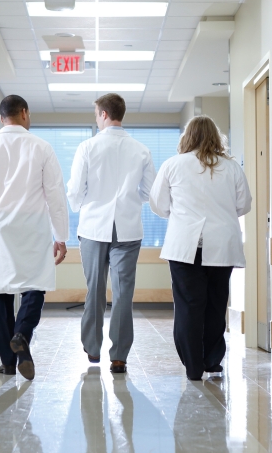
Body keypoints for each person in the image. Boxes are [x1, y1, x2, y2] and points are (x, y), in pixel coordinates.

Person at [0, 94, 69, 380]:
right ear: (25, 113)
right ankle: (22, 333)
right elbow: (56, 196)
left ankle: (8, 362)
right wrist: (61, 236)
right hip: (33, 226)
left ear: (1, 118)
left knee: (0, 290)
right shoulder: (42, 148)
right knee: (35, 285)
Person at [149, 115, 251, 381]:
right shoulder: (231, 167)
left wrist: (180, 212)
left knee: (188, 306)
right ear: (216, 137)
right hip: (221, 244)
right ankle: (212, 360)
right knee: (216, 304)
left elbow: (159, 205)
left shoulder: (173, 164)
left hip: (185, 245)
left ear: (188, 137)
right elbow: (244, 205)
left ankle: (193, 366)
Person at [67, 93, 156, 374]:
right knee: (123, 293)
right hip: (128, 230)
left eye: (96, 114)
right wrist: (130, 199)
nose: (96, 118)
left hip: (93, 228)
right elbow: (149, 192)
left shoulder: (88, 147)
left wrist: (79, 204)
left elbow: (74, 191)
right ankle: (118, 356)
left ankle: (93, 348)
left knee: (94, 289)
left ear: (104, 114)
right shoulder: (141, 150)